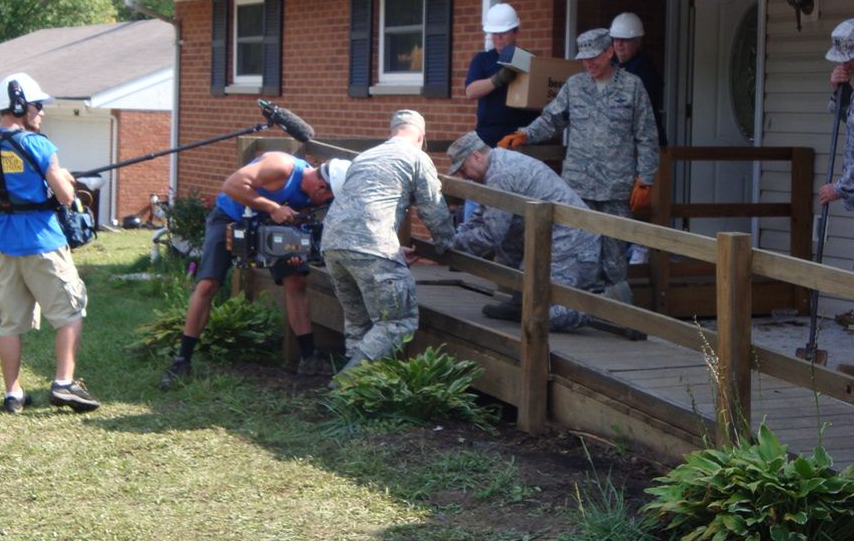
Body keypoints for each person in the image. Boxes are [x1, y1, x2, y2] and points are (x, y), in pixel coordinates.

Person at [0, 72, 100, 414]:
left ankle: (13, 394)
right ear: (19, 105)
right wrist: (64, 176)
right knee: (71, 313)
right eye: (37, 106)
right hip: (44, 245)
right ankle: (64, 384)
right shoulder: (39, 145)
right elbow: (66, 196)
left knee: (10, 325)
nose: (41, 113)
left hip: (5, 248)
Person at [159, 152, 342, 388]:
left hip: (276, 227)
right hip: (230, 217)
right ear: (321, 186)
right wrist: (272, 206)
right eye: (329, 199)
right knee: (208, 283)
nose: (326, 205)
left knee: (295, 279)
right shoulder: (281, 167)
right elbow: (232, 185)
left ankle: (309, 358)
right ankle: (182, 360)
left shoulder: (310, 195)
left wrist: (300, 252)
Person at [498, 28, 658, 295]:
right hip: (578, 188)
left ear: (609, 52)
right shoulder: (575, 85)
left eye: (594, 57)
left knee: (614, 257)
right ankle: (579, 312)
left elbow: (647, 136)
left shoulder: (632, 87)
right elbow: (552, 120)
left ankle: (617, 314)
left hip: (615, 188)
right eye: (584, 58)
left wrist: (646, 178)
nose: (589, 64)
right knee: (578, 252)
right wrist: (525, 134)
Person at [320, 110, 455, 373]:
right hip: (371, 246)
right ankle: (345, 385)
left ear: (391, 132)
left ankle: (356, 397)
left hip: (332, 244)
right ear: (422, 137)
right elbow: (433, 209)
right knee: (398, 322)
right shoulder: (416, 157)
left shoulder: (365, 157)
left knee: (359, 323)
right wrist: (446, 245)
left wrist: (390, 247)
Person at [447, 131, 603, 327]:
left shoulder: (500, 176)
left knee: (542, 318)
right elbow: (483, 216)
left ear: (477, 157)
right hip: (549, 233)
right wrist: (455, 236)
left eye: (463, 170)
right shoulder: (495, 168)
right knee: (509, 235)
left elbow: (491, 234)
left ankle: (604, 305)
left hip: (570, 239)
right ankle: (520, 301)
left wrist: (451, 245)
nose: (464, 177)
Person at [817, 17, 854, 378]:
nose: (844, 62)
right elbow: (849, 121)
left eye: (850, 57)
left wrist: (841, 187)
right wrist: (840, 92)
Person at [464, 3, 539, 148]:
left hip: (520, 135)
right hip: (489, 136)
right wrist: (499, 79)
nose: (498, 38)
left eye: (503, 33)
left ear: (515, 32)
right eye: (494, 34)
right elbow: (471, 92)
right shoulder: (482, 60)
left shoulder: (528, 59)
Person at [609, 12, 667, 147]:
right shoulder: (610, 65)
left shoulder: (645, 72)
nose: (619, 44)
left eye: (625, 40)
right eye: (616, 39)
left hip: (643, 147)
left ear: (638, 42)